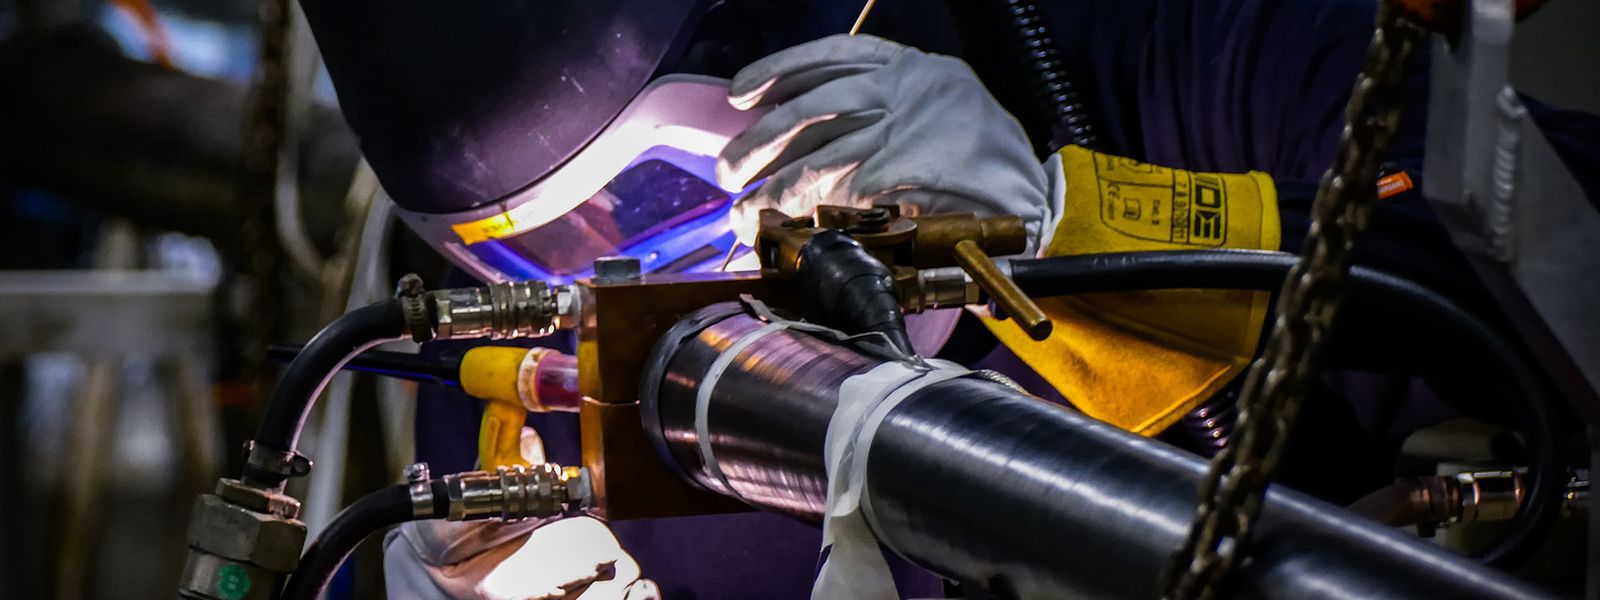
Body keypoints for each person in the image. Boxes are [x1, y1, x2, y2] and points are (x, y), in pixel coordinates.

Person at [297, 0, 1600, 597]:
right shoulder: (545, 345)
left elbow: (1562, 280)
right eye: (535, 252)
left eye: (653, 202)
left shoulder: (1183, 55)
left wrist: (1079, 237)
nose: (628, 288)